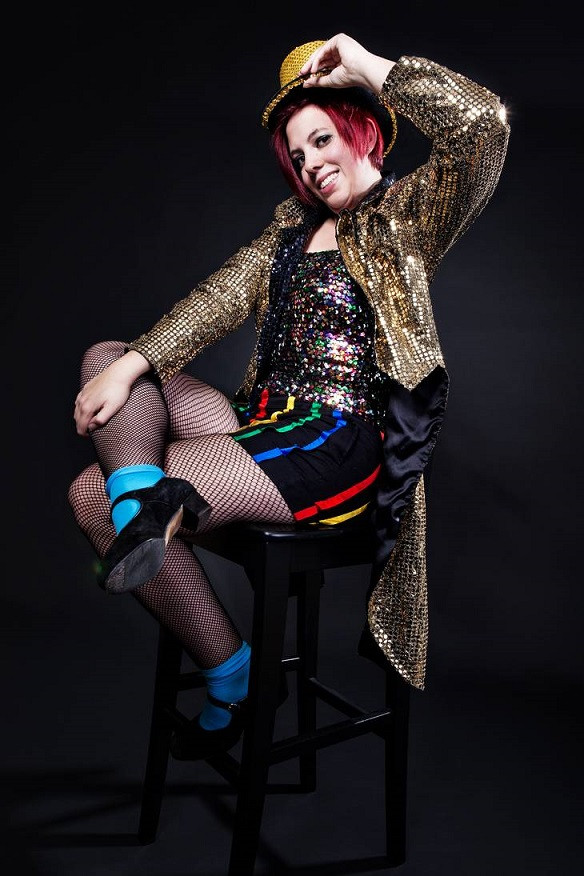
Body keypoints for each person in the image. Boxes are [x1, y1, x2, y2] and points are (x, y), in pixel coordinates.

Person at [69, 33, 510, 759]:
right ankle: (230, 662)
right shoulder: (288, 231)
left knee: (110, 484)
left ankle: (149, 516)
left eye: (321, 139)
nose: (309, 164)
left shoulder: (407, 214)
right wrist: (130, 367)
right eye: (297, 155)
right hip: (264, 421)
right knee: (108, 368)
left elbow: (482, 126)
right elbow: (216, 300)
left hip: (339, 443)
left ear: (363, 129)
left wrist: (365, 65)